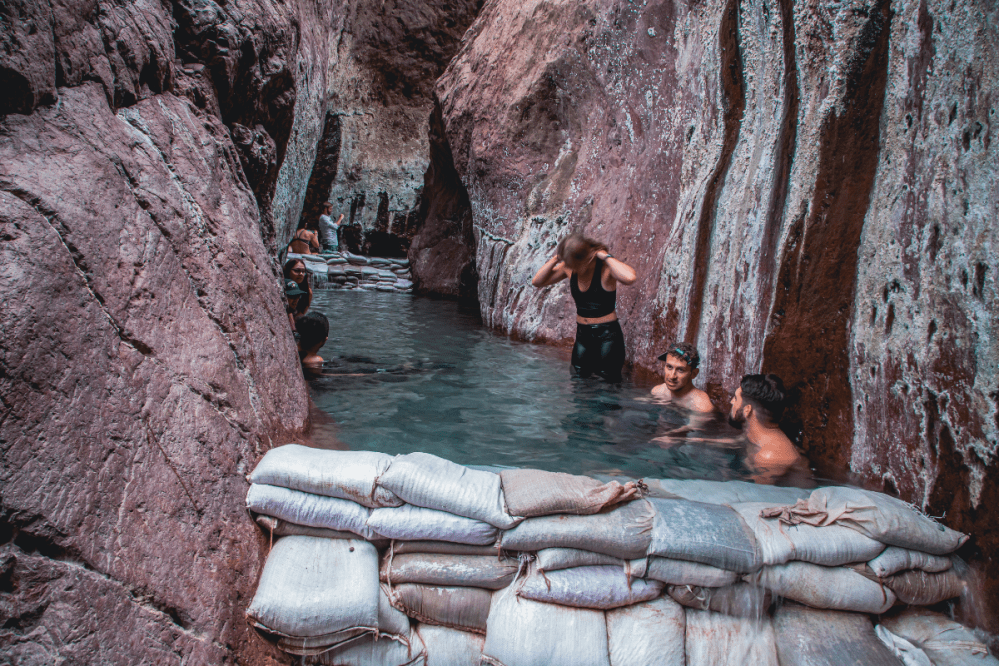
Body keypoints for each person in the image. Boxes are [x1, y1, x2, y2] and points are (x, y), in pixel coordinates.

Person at [531, 232, 637, 382]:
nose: (571, 268)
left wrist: (605, 256)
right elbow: (537, 281)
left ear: (586, 259)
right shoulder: (569, 268)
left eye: (573, 264)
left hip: (607, 336)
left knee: (607, 386)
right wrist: (557, 258)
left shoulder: (605, 269)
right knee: (578, 381)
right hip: (583, 336)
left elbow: (630, 277)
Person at [728, 373, 808, 485]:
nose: (731, 401)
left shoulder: (768, 457)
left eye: (736, 398)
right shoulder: (757, 433)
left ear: (747, 410)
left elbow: (757, 497)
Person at [651, 342, 714, 412]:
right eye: (669, 367)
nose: (672, 376)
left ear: (694, 374)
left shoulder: (701, 405)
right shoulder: (658, 391)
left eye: (680, 370)